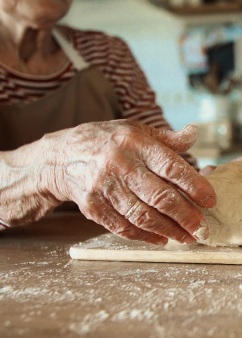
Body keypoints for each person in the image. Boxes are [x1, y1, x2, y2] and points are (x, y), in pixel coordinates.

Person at [0, 0, 216, 245]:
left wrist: (206, 184)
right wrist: (54, 167)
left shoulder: (105, 53)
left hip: (112, 244)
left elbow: (161, 153)